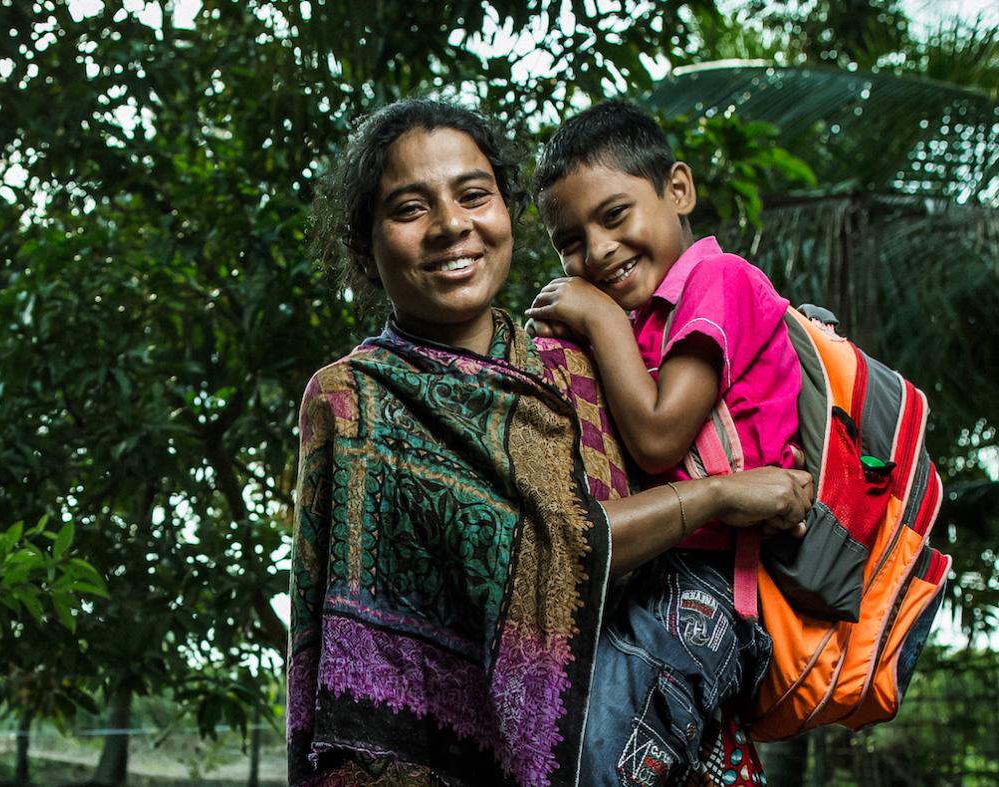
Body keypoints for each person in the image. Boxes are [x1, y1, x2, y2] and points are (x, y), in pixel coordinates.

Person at [289, 98, 812, 787]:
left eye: (474, 195)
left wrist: (773, 474)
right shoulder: (356, 399)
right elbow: (541, 549)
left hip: (664, 739)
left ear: (505, 214)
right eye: (410, 208)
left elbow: (673, 485)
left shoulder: (578, 360)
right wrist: (719, 493)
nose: (452, 226)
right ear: (367, 243)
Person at [525, 101, 803, 785]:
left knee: (601, 762)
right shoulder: (641, 321)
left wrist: (594, 315)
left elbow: (657, 436)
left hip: (714, 586)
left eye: (615, 215)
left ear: (678, 189)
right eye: (571, 241)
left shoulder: (718, 279)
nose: (598, 251)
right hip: (665, 573)